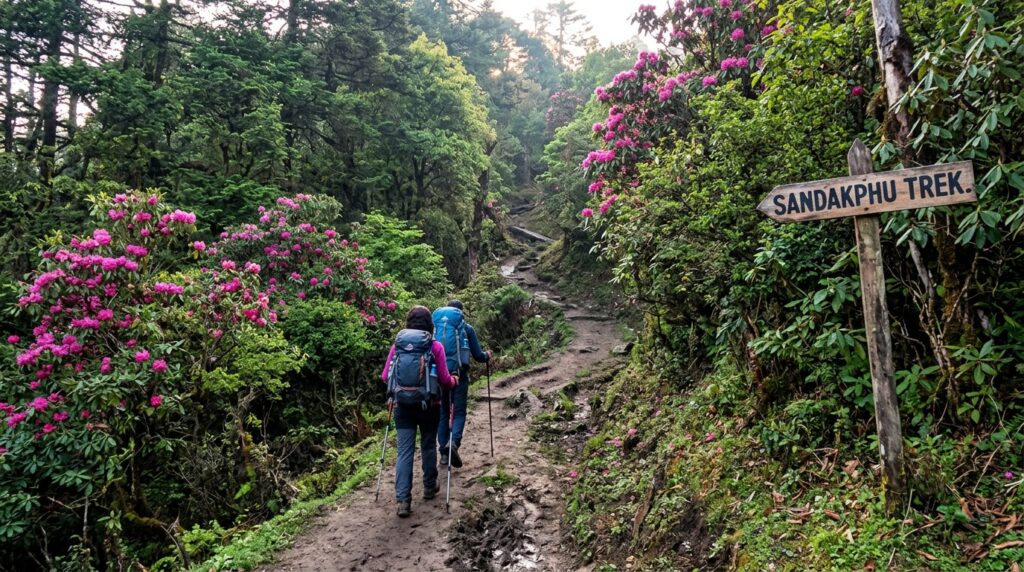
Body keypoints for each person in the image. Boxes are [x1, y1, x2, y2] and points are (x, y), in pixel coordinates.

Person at [381, 305, 457, 518]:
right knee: (427, 445)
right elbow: (443, 379)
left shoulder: (398, 346)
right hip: (429, 406)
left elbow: (386, 376)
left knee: (404, 451)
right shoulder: (435, 347)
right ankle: (429, 487)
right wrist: (453, 381)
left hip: (402, 407)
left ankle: (403, 500)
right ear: (429, 326)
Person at [437, 299, 491, 469]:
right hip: (460, 375)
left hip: (440, 377)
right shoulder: (467, 329)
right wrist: (487, 356)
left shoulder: (436, 328)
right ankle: (454, 444)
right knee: (459, 412)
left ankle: (444, 454)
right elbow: (478, 356)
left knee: (443, 413)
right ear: (461, 313)